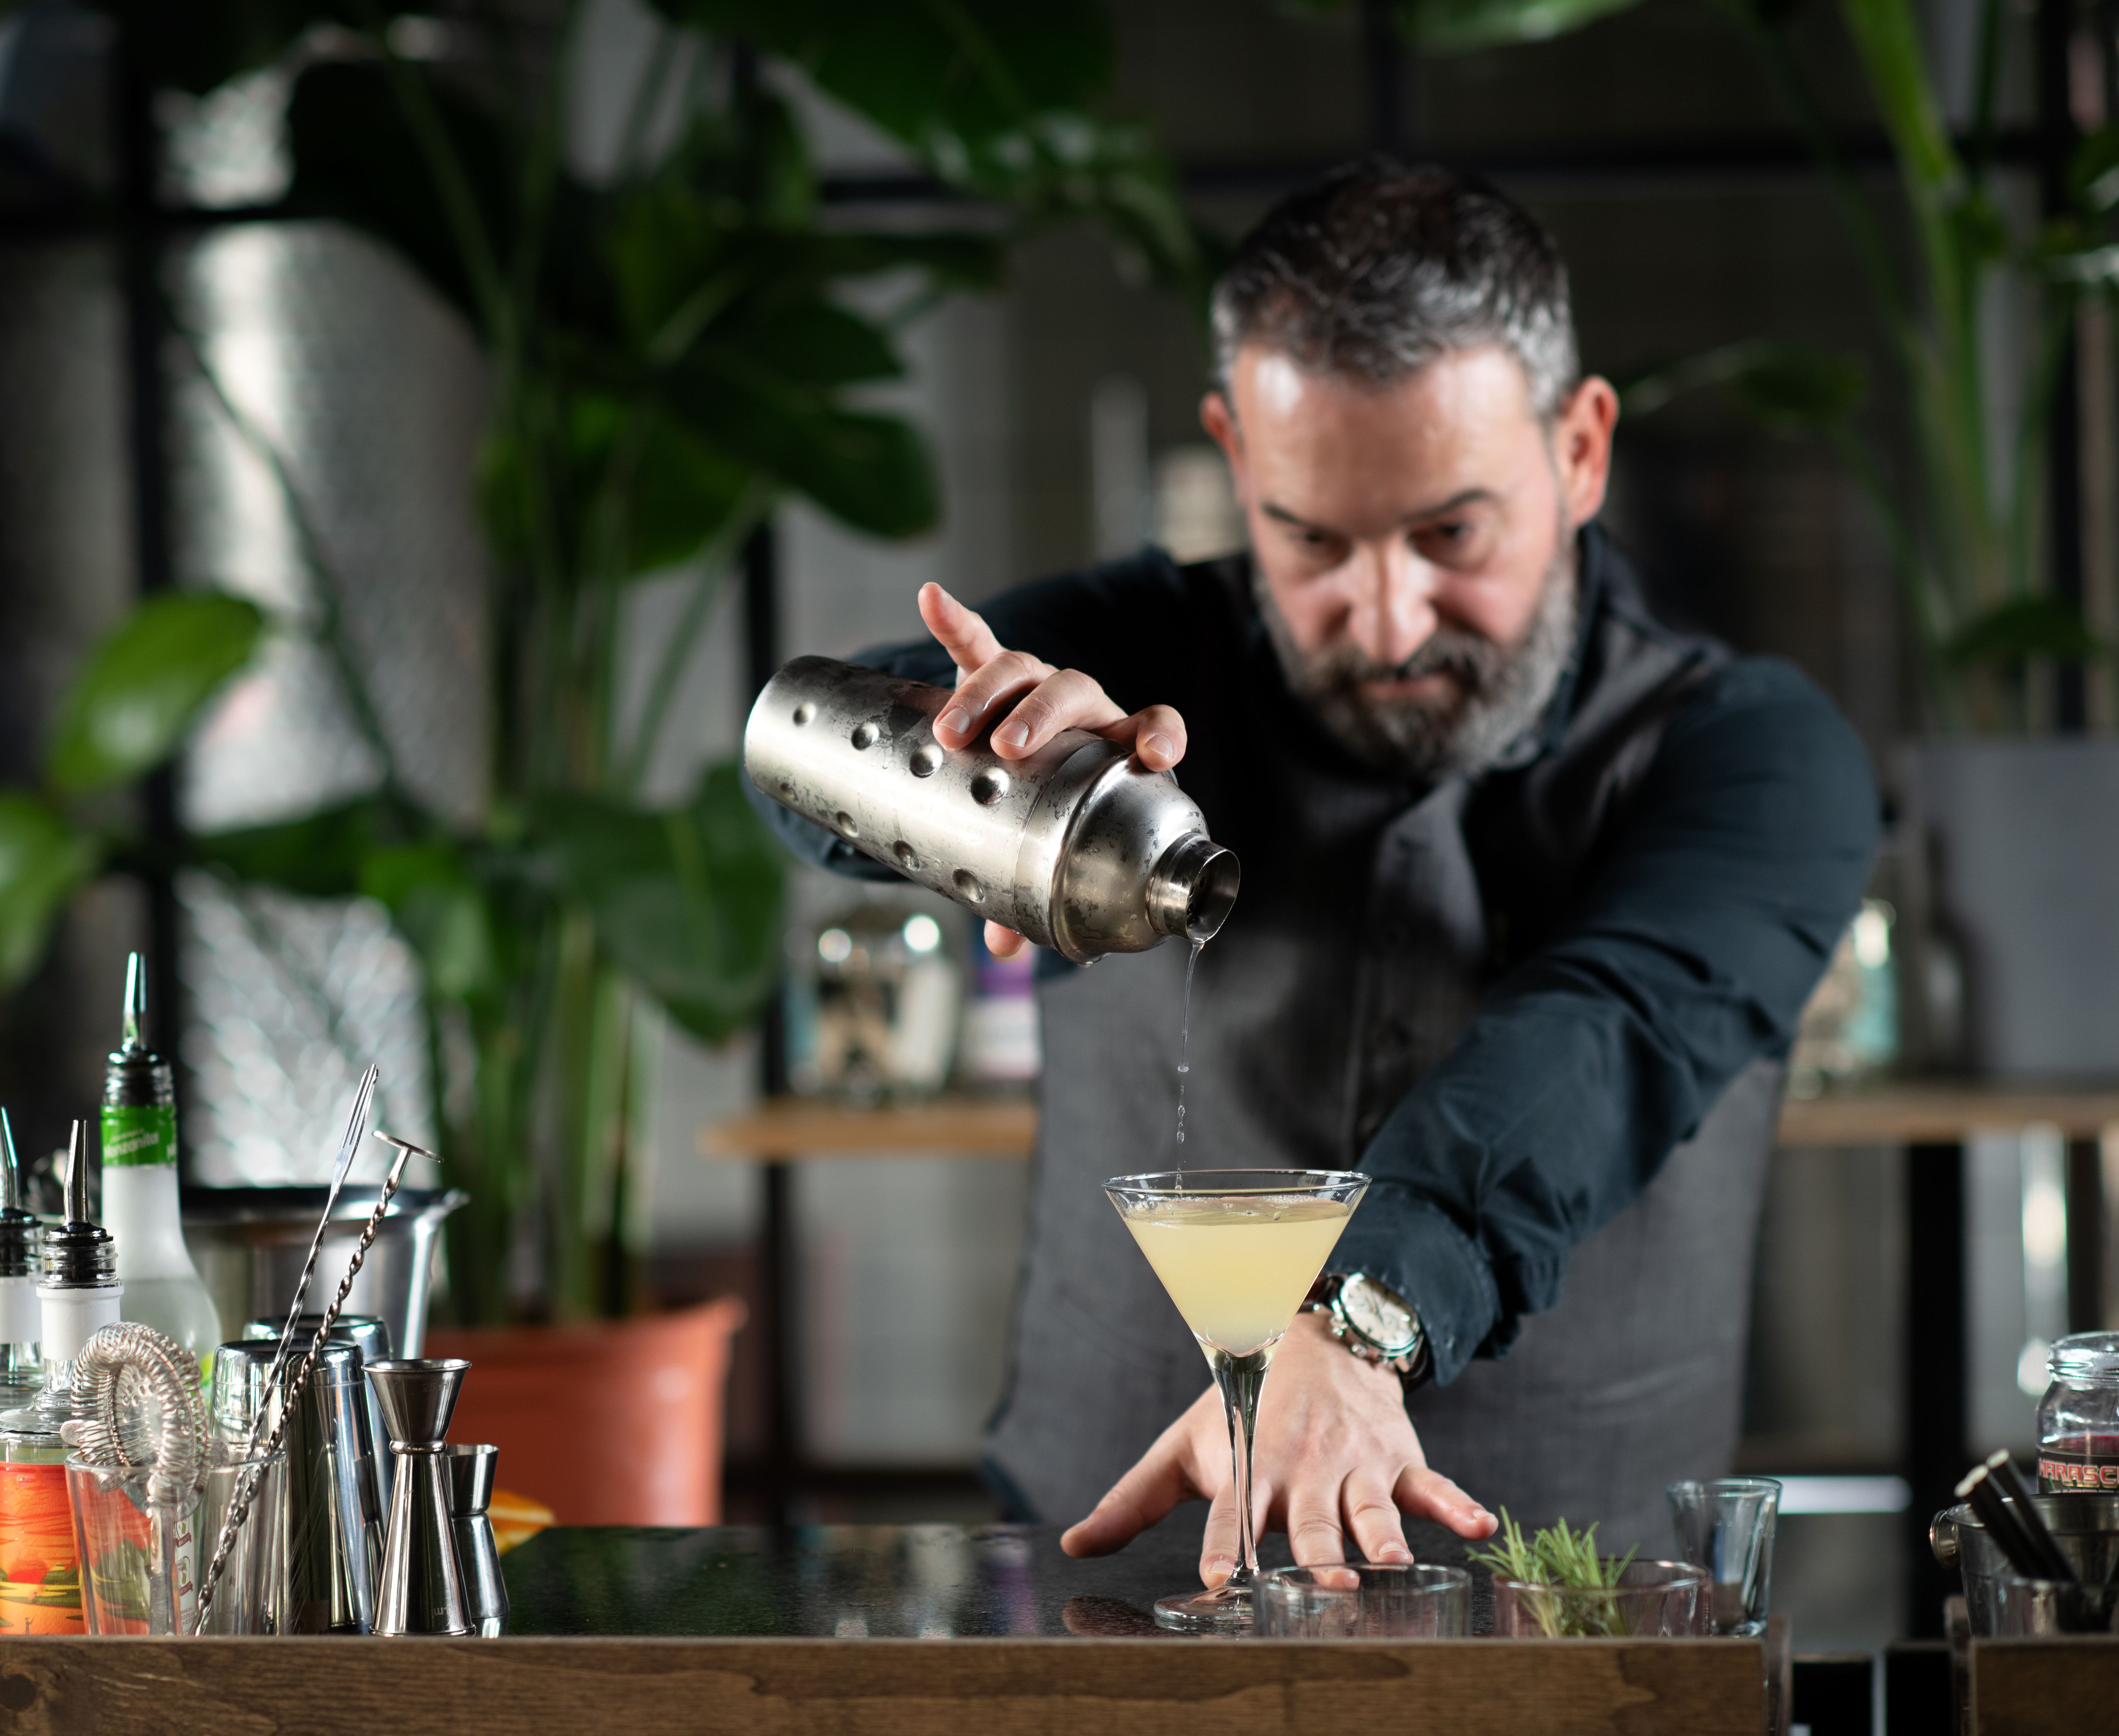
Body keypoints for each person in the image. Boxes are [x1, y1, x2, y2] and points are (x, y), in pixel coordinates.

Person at [751, 159, 1881, 1582]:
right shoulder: (1144, 658)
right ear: (1237, 461)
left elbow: (1611, 1025)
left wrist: (1360, 1318)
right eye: (1312, 540)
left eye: (1451, 534)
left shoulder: (1754, 756)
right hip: (1105, 1603)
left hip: (1565, 1629)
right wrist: (992, 757)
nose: (1390, 617)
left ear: (1581, 452)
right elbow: (798, 775)